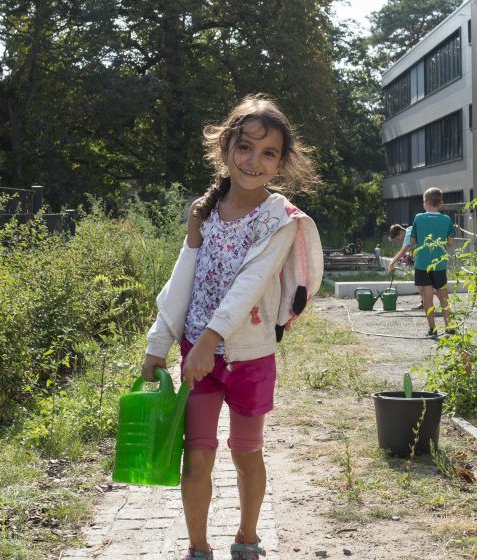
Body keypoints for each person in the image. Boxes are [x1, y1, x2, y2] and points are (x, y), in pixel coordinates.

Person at [141, 94, 323, 560]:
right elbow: (181, 281)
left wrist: (210, 341)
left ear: (281, 162)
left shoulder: (278, 220)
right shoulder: (204, 212)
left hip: (249, 356)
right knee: (196, 454)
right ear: (226, 147)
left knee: (246, 452)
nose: (254, 161)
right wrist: (159, 344)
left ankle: (246, 538)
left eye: (269, 153)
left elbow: (249, 285)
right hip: (197, 355)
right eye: (245, 147)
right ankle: (197, 548)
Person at [410, 187, 455, 337]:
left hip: (422, 263)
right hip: (440, 264)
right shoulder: (447, 219)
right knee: (443, 296)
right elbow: (450, 242)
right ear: (440, 203)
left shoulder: (418, 218)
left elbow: (413, 240)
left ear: (425, 202)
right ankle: (450, 327)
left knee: (427, 298)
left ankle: (433, 329)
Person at [387, 224, 424, 310]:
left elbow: (402, 252)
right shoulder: (410, 229)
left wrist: (391, 263)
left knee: (419, 281)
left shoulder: (407, 234)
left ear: (401, 232)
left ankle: (425, 303)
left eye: (398, 238)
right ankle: (426, 302)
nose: (400, 240)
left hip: (423, 258)